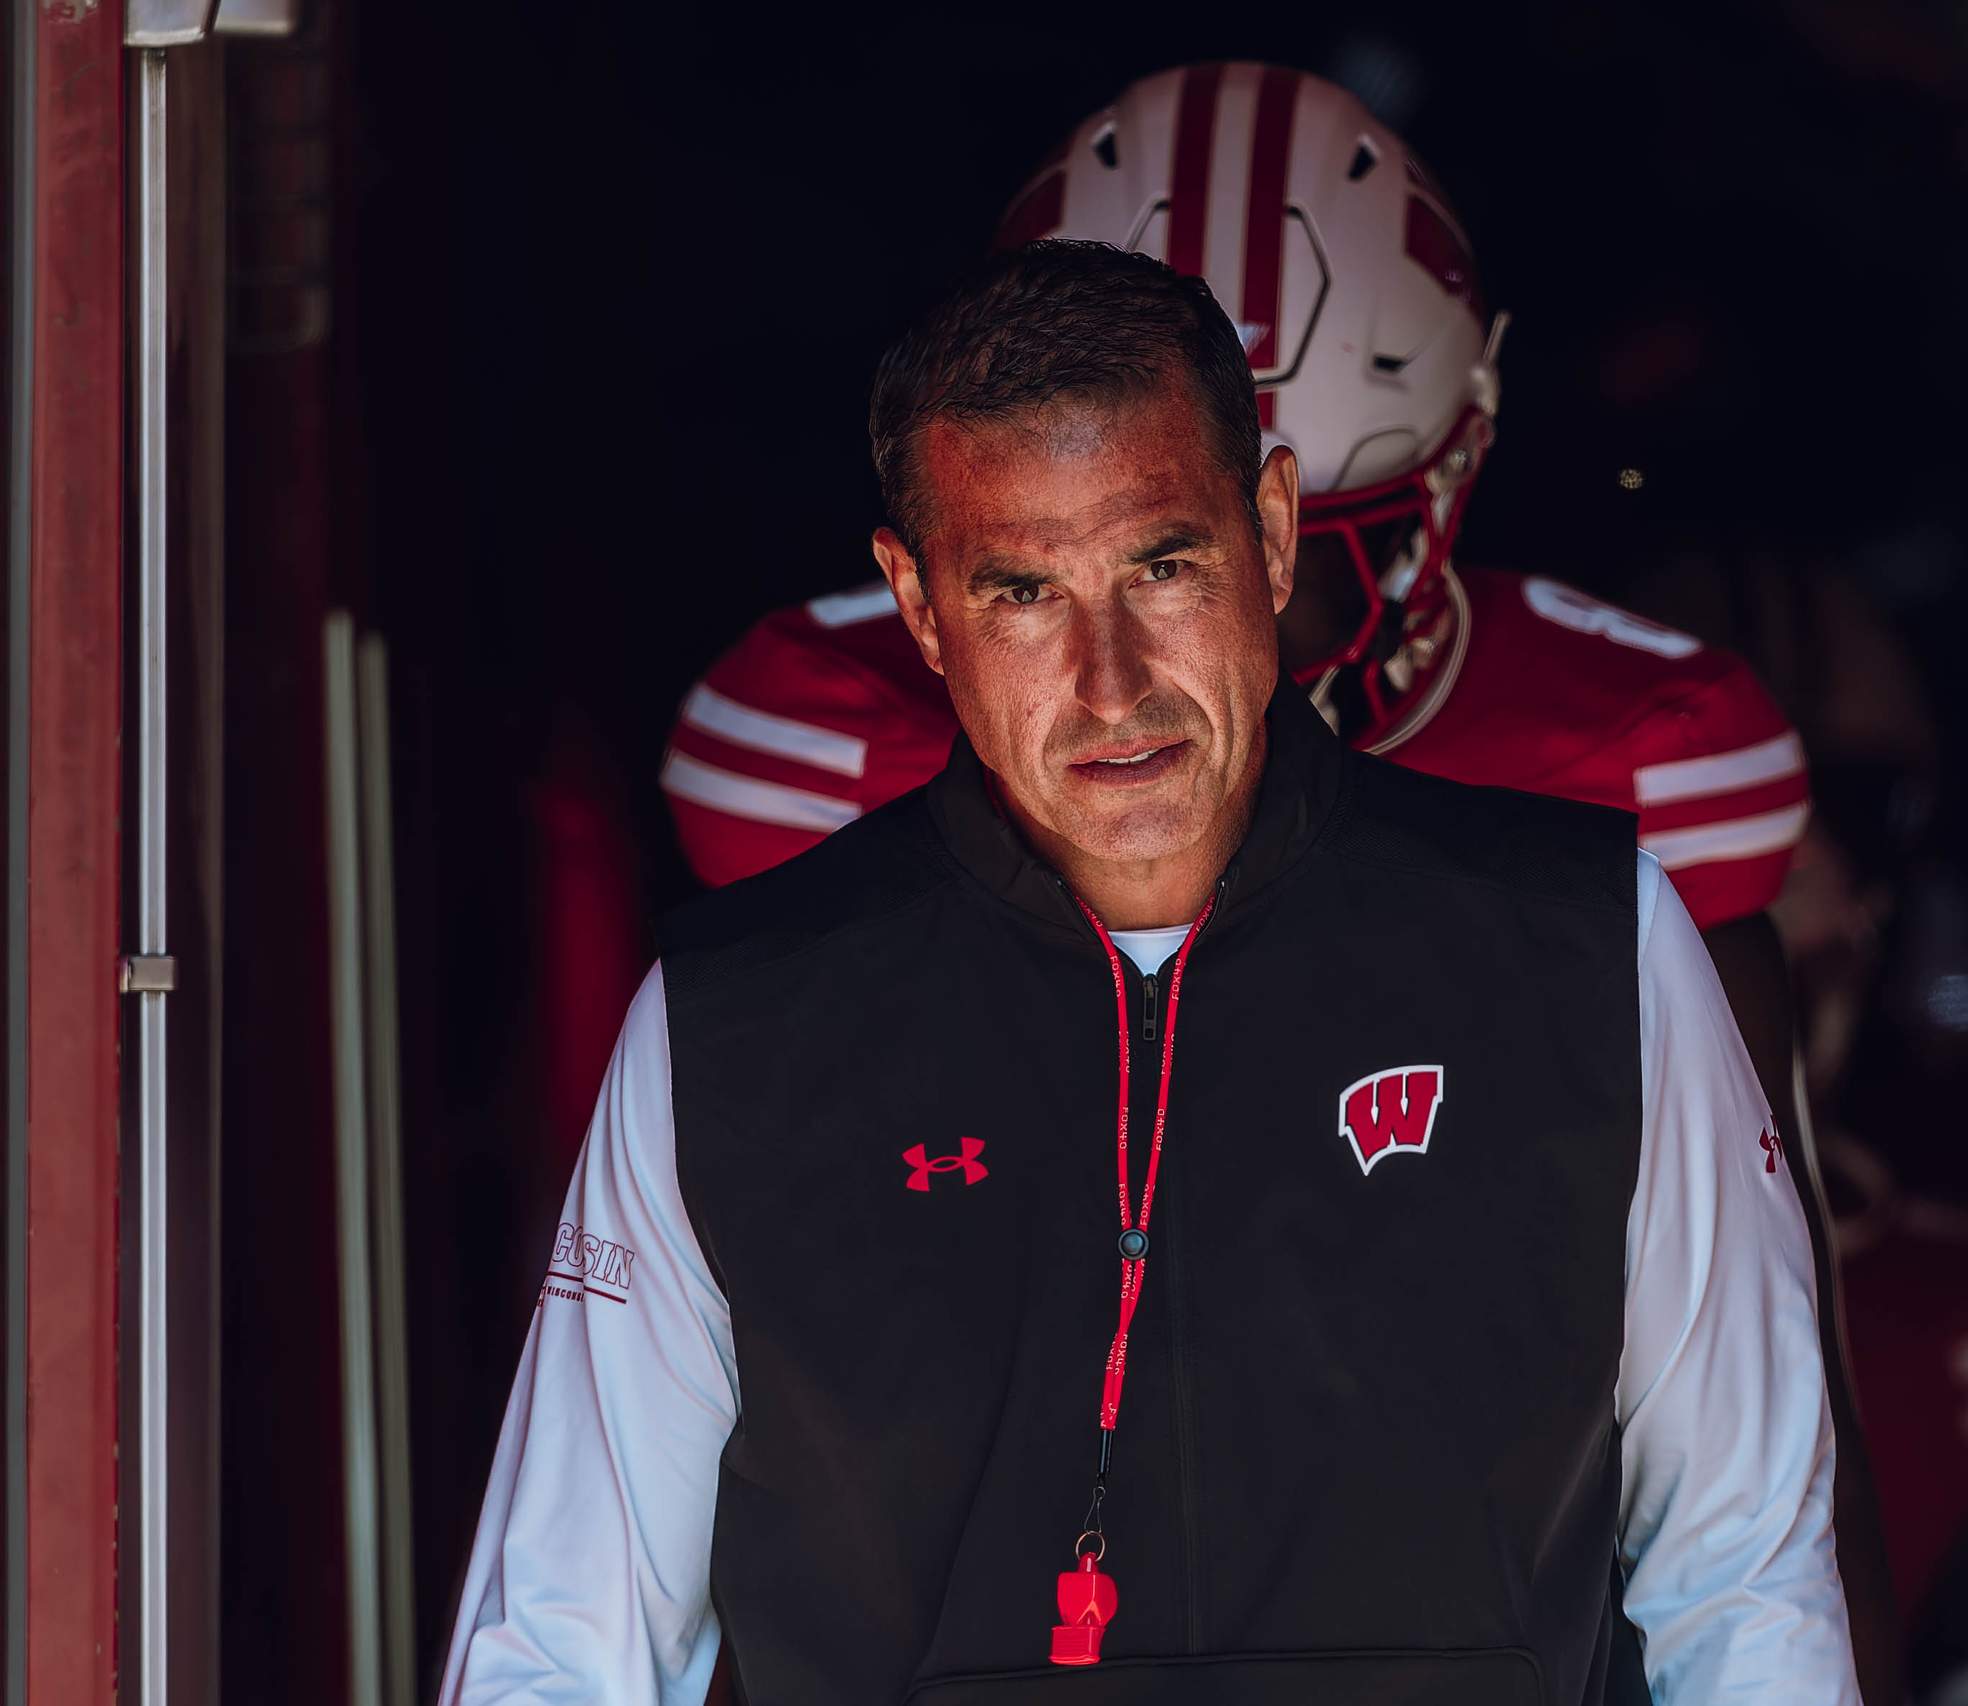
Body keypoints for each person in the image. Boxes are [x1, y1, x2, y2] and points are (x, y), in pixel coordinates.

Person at [438, 240, 1854, 1703]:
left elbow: (1746, 1569)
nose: (1111, 683)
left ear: (1274, 533)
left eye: (1162, 565)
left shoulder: (1589, 946)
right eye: (1023, 595)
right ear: (919, 607)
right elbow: (560, 1645)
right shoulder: (730, 1030)